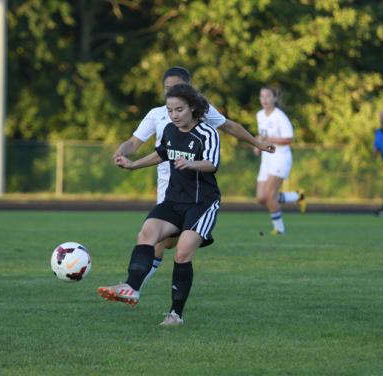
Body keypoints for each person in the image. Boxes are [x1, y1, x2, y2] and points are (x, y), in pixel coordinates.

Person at [113, 66, 275, 286]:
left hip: (196, 186)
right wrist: (122, 153)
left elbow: (228, 126)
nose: (172, 91)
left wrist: (257, 143)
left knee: (168, 243)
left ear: (189, 89)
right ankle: (133, 288)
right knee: (159, 241)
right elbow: (134, 143)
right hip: (168, 187)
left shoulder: (202, 111)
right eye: (167, 88)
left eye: (177, 87)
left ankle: (135, 287)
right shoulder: (157, 114)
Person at [98, 84, 222, 325]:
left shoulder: (207, 133)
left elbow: (212, 163)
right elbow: (161, 153)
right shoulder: (169, 129)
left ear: (192, 108)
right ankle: (131, 288)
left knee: (182, 252)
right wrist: (133, 165)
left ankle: (175, 314)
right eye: (170, 110)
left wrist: (191, 163)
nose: (174, 115)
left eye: (179, 110)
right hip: (174, 199)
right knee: (146, 233)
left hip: (201, 203)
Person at [253, 86, 305, 235]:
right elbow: (261, 136)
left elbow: (289, 139)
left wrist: (267, 139)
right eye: (262, 96)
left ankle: (279, 229)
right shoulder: (260, 115)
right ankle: (298, 196)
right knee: (261, 198)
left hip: (280, 158)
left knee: (270, 196)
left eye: (268, 96)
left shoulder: (280, 116)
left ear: (275, 98)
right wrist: (258, 146)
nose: (265, 100)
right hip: (267, 159)